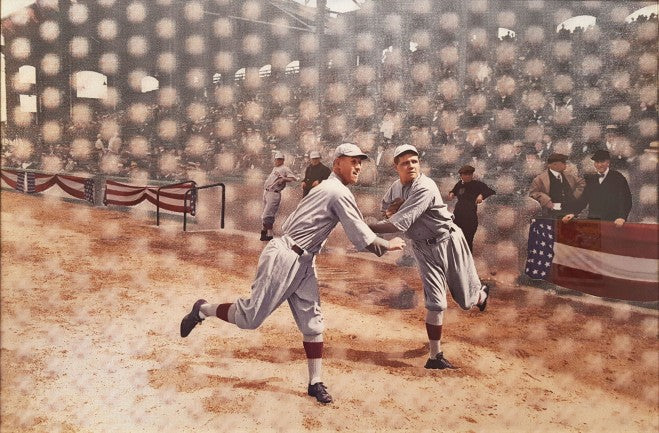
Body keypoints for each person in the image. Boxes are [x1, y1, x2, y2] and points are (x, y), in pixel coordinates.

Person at [180, 143, 406, 404]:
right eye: (352, 161)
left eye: (360, 162)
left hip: (304, 260)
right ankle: (202, 309)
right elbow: (360, 234)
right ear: (336, 164)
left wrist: (384, 228)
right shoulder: (336, 191)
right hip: (286, 256)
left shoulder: (331, 189)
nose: (358, 166)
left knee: (313, 323)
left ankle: (315, 382)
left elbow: (353, 224)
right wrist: (388, 244)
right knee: (250, 318)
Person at [368, 144, 490, 370]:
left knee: (465, 301)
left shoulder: (425, 186)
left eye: (414, 161)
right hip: (423, 248)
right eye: (405, 163)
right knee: (436, 302)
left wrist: (366, 228)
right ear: (397, 167)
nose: (411, 165)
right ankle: (435, 356)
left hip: (448, 241)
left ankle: (481, 295)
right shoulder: (396, 187)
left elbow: (398, 223)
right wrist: (388, 210)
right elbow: (386, 207)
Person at [562, 149, 632, 227]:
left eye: (602, 162)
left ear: (608, 162)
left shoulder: (618, 177)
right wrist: (573, 213)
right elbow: (583, 199)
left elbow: (626, 200)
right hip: (593, 221)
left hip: (613, 222)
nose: (599, 165)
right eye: (597, 162)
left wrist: (622, 217)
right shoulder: (590, 179)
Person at [447, 164, 495, 252]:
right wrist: (451, 193)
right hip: (458, 215)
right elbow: (454, 190)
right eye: (465, 174)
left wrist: (481, 195)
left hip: (470, 216)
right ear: (461, 176)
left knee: (467, 240)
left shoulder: (477, 184)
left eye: (470, 174)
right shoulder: (459, 184)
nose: (468, 176)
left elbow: (490, 191)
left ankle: (467, 262)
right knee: (455, 238)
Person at [529, 153, 585, 218]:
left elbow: (582, 183)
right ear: (554, 165)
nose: (565, 165)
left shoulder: (569, 176)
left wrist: (574, 196)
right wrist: (546, 201)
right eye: (563, 163)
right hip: (550, 213)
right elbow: (533, 193)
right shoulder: (539, 179)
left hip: (569, 212)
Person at [261, 151, 298, 241]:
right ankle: (265, 234)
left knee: (267, 214)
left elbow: (294, 178)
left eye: (280, 159)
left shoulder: (285, 168)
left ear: (283, 160)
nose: (278, 161)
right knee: (265, 214)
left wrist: (284, 179)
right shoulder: (275, 168)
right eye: (277, 159)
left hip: (274, 193)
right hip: (267, 192)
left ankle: (269, 234)